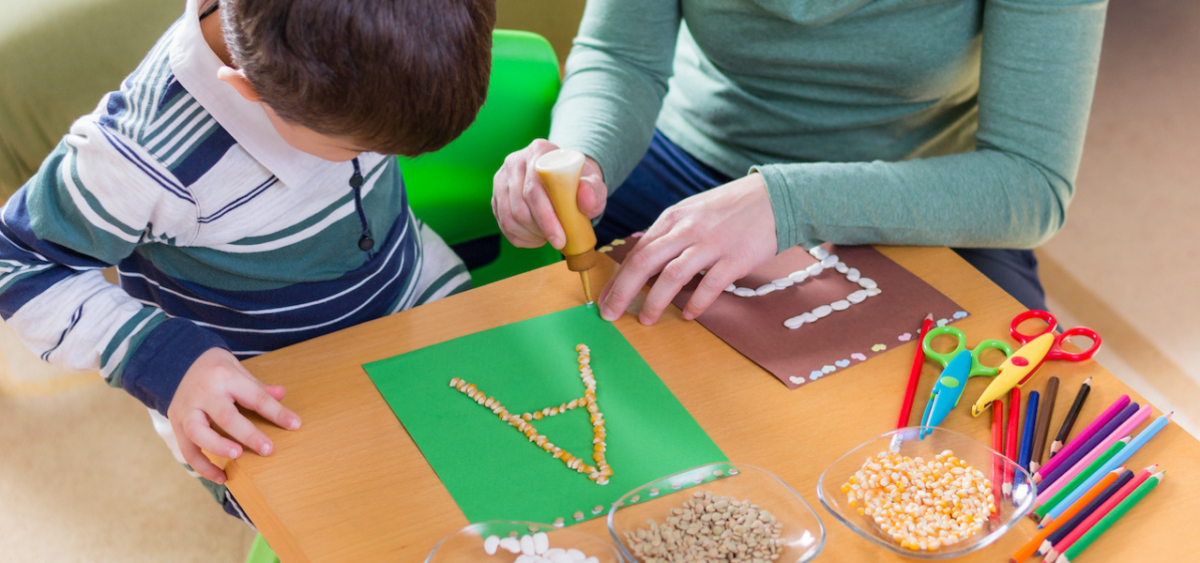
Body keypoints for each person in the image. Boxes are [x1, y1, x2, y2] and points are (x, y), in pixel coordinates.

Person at [0, 0, 493, 521]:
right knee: (373, 520)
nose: (374, 158)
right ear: (247, 90)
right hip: (264, 393)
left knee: (497, 447)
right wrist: (167, 361)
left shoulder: (350, 61)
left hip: (412, 292)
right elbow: (17, 263)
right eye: (356, 147)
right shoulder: (143, 155)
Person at [492, 0, 1107, 324]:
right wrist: (579, 156)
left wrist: (786, 203)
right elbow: (620, 55)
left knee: (1010, 454)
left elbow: (1030, 181)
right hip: (687, 162)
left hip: (921, 195)